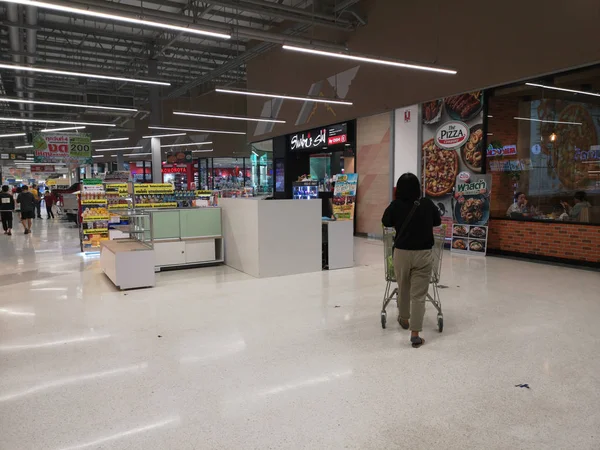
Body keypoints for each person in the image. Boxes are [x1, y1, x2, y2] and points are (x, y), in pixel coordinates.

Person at [382, 173, 441, 348]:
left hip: (401, 253)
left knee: (404, 287)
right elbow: (437, 222)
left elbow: (385, 221)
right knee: (419, 295)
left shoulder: (395, 205)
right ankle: (415, 334)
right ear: (418, 188)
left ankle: (404, 318)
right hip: (423, 253)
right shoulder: (427, 204)